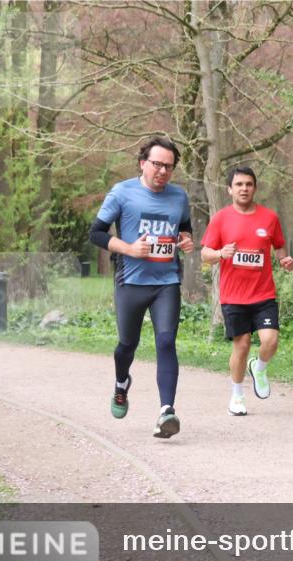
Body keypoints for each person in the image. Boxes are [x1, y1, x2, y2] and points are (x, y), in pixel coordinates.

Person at [89, 136, 194, 438]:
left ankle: (167, 412)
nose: (163, 171)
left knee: (165, 341)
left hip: (166, 281)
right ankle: (122, 382)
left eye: (169, 167)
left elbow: (184, 227)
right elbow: (95, 233)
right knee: (127, 345)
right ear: (143, 163)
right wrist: (128, 249)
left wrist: (185, 239)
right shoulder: (122, 193)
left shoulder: (178, 197)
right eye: (157, 164)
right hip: (131, 281)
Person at [200, 166, 293, 416]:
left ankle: (259, 368)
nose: (244, 189)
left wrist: (284, 260)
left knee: (270, 340)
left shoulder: (269, 218)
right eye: (239, 184)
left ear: (254, 188)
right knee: (241, 345)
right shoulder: (221, 218)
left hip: (263, 294)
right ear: (230, 189)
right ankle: (237, 397)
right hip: (233, 296)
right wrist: (220, 254)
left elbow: (280, 247)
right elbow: (205, 254)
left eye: (248, 184)